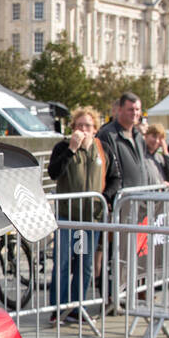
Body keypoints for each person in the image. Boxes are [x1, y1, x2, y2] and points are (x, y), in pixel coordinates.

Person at [47, 107, 106, 323]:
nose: (83, 129)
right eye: (79, 125)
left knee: (85, 264)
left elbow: (113, 175)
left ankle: (76, 306)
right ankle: (58, 309)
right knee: (63, 263)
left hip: (91, 219)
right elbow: (54, 172)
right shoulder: (62, 147)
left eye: (87, 126)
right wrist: (71, 149)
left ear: (95, 129)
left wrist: (106, 197)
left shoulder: (101, 149)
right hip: (67, 217)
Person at [97, 93, 150, 206]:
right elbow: (105, 170)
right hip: (120, 204)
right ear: (120, 110)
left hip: (139, 203)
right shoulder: (107, 135)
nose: (135, 113)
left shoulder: (139, 137)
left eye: (137, 109)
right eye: (130, 109)